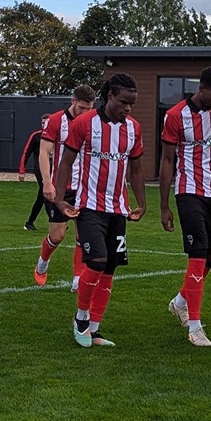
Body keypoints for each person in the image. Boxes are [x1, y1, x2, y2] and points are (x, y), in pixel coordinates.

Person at [52, 73, 146, 347]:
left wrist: (141, 202)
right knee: (95, 262)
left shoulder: (134, 129)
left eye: (132, 104)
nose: (128, 108)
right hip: (89, 206)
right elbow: (66, 162)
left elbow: (136, 168)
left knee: (110, 269)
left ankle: (94, 329)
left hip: (118, 209)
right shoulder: (84, 123)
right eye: (124, 102)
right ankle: (81, 317)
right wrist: (59, 198)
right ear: (110, 96)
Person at [159, 66, 211, 347]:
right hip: (188, 190)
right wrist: (164, 205)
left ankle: (180, 301)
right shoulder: (175, 116)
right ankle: (194, 326)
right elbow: (167, 160)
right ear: (201, 88)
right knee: (199, 253)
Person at [34, 84, 97, 290]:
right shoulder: (55, 121)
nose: (85, 112)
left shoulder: (94, 122)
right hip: (60, 187)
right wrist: (47, 183)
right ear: (72, 102)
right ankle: (43, 262)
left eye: (89, 108)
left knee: (83, 234)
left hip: (85, 187)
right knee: (58, 235)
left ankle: (77, 280)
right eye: (81, 108)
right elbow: (44, 152)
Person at [22, 114, 53, 230]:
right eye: (42, 123)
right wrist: (22, 170)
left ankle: (29, 222)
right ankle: (54, 220)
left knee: (41, 197)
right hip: (40, 171)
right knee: (47, 196)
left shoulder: (56, 135)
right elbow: (26, 152)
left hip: (52, 171)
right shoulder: (36, 136)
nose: (45, 125)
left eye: (47, 123)